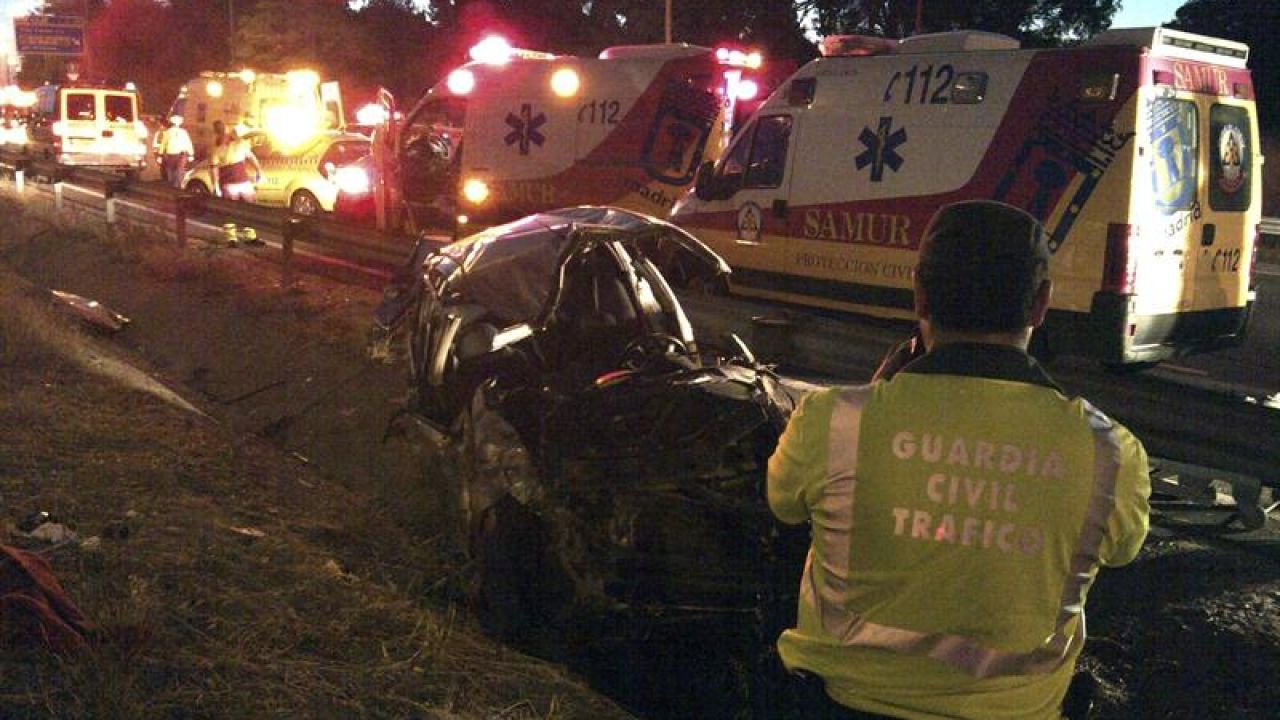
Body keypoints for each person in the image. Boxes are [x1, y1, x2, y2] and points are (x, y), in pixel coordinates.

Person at [767, 199, 1151, 720]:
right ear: (1041, 304)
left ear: (920, 293)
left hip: (842, 704)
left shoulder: (831, 423)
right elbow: (1124, 550)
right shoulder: (1110, 454)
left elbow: (784, 506)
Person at [210, 121, 261, 202]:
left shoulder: (216, 150)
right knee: (251, 209)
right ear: (227, 129)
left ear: (215, 133)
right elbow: (251, 158)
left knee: (231, 211)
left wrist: (215, 186)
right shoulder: (240, 143)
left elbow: (214, 169)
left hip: (228, 185)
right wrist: (258, 170)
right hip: (244, 183)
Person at [155, 115, 193, 188]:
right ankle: (175, 187)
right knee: (177, 173)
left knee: (173, 173)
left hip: (173, 156)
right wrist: (191, 154)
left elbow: (163, 144)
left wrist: (160, 155)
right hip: (179, 156)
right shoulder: (182, 132)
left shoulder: (168, 132)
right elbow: (188, 143)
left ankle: (174, 187)